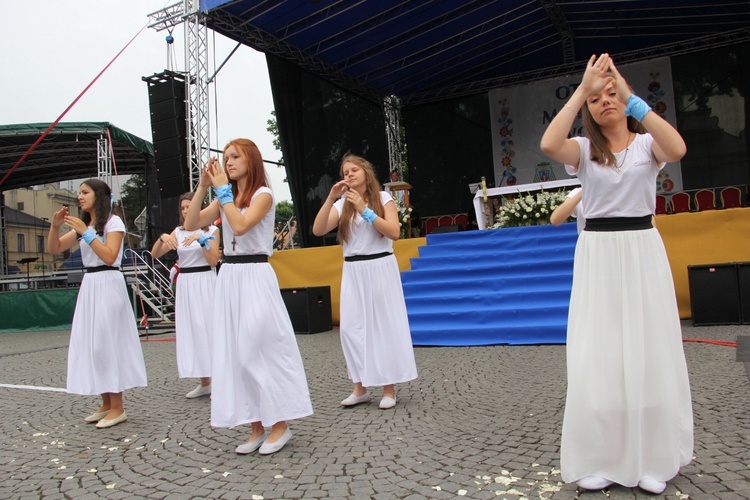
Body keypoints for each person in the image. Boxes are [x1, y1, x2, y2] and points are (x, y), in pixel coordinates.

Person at [540, 53, 693, 494]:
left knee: (649, 351)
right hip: (598, 255)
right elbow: (551, 145)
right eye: (596, 99)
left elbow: (678, 149)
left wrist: (630, 97)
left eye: (610, 95)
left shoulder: (648, 146)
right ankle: (603, 456)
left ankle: (651, 457)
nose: (604, 102)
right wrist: (580, 90)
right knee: (600, 355)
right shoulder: (585, 151)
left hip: (642, 250)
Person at [184, 138, 313, 455]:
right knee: (237, 353)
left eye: (234, 156)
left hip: (255, 274)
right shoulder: (227, 197)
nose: (227, 162)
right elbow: (189, 224)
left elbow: (240, 226)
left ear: (251, 160)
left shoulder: (263, 195)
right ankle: (256, 426)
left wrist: (222, 193)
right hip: (229, 276)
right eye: (225, 157)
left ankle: (280, 424)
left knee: (261, 347)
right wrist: (203, 187)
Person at [312, 154, 418, 409]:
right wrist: (330, 198)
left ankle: (388, 388)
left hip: (380, 267)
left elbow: (393, 231)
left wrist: (365, 210)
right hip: (353, 271)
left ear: (366, 172)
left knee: (383, 327)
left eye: (354, 170)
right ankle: (359, 387)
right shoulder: (342, 204)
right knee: (351, 329)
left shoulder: (383, 199)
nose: (349, 174)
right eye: (345, 171)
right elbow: (317, 230)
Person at [47, 179, 147, 429]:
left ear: (99, 196)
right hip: (90, 285)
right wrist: (55, 226)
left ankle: (118, 407)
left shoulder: (113, 223)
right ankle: (105, 403)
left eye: (85, 192)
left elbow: (110, 255)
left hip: (108, 282)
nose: (79, 196)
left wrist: (87, 232)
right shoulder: (86, 225)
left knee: (108, 343)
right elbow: (55, 248)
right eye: (79, 193)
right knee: (94, 344)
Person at [151, 192, 219, 399]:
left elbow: (213, 260)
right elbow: (155, 254)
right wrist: (163, 237)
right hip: (186, 284)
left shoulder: (212, 229)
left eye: (189, 206)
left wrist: (202, 239)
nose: (186, 210)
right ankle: (205, 382)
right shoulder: (178, 232)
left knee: (209, 328)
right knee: (192, 330)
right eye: (183, 208)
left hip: (205, 281)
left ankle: (221, 379)